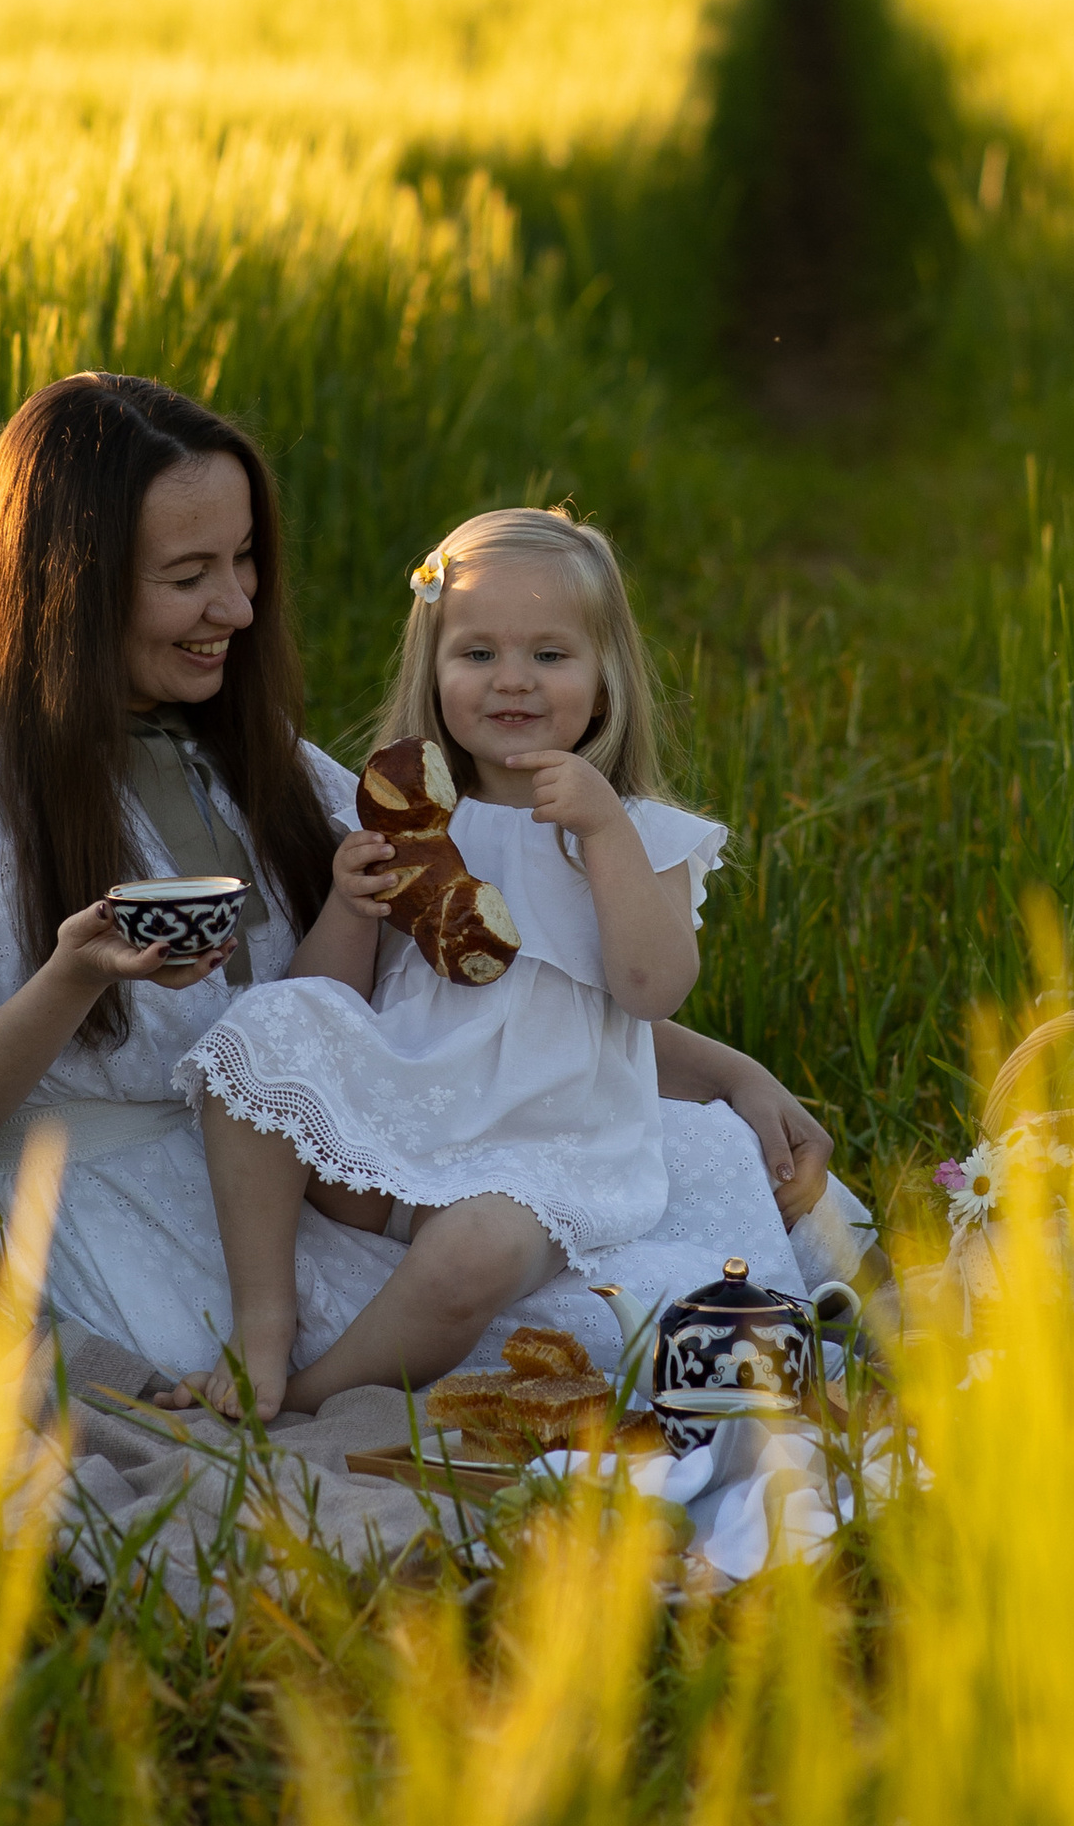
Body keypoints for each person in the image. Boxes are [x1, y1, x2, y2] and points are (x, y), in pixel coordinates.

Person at [0, 372, 836, 1393]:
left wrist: (735, 1077)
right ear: (77, 587)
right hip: (125, 1209)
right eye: (188, 575)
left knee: (698, 1162)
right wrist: (71, 980)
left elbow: (501, 996)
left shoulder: (268, 767)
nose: (237, 604)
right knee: (562, 1333)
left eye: (247, 559)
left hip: (334, 1155)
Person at [176, 507, 760, 1417]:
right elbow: (328, 1005)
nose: (512, 682)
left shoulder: (642, 835)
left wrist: (603, 829)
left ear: (605, 682)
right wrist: (350, 903)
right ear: (434, 670)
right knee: (255, 1034)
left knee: (472, 1256)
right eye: (478, 653)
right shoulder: (413, 818)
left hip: (543, 1153)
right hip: (401, 1117)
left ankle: (309, 1400)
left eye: (550, 656)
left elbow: (652, 989)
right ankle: (264, 1325)